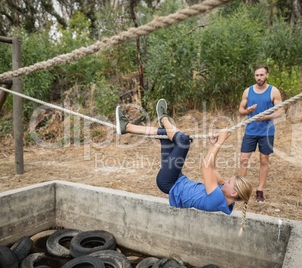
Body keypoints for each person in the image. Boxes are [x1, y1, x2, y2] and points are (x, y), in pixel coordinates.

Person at [116, 99, 253, 229]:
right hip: (177, 178)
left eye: (229, 181)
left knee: (183, 140)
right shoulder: (226, 194)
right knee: (166, 135)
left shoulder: (218, 199)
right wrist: (213, 144)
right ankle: (127, 126)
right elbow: (212, 168)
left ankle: (164, 118)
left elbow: (205, 166)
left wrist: (220, 142)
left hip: (168, 183)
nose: (226, 181)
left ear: (234, 192)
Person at [238, 64, 284, 203]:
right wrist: (247, 112)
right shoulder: (248, 91)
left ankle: (259, 190)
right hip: (251, 131)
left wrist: (266, 117)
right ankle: (240, 190)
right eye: (257, 75)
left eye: (262, 75)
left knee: (264, 160)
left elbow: (280, 111)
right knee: (243, 160)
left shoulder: (273, 91)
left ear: (267, 75)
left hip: (267, 132)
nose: (259, 78)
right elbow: (241, 109)